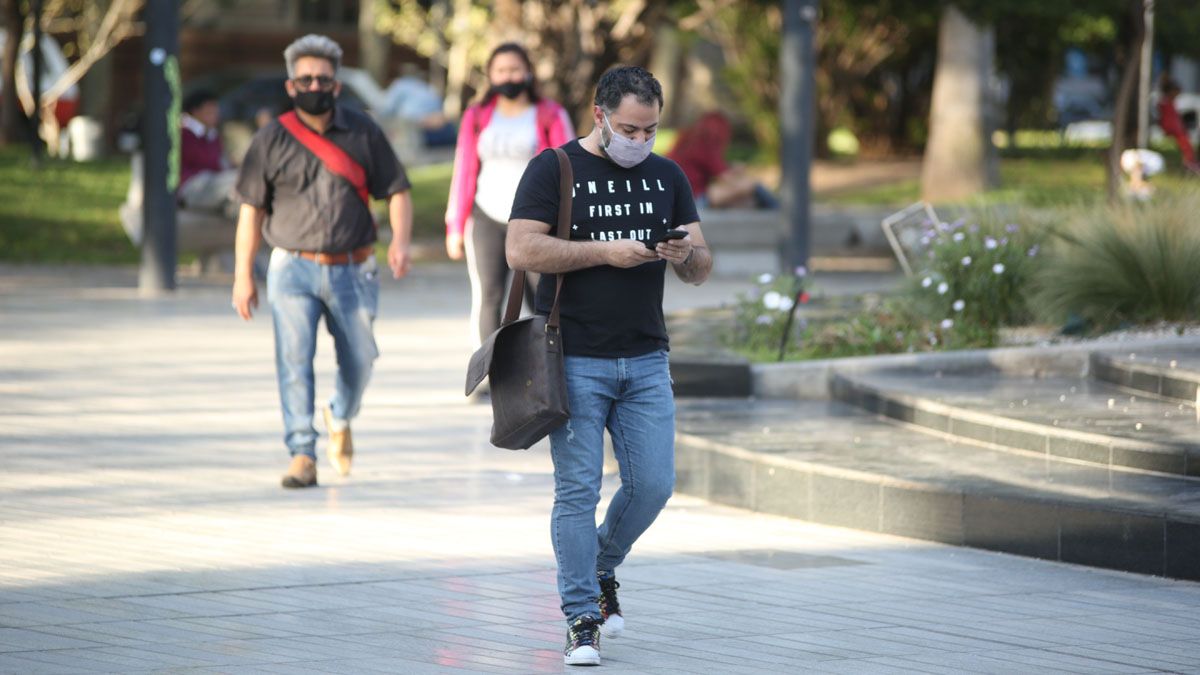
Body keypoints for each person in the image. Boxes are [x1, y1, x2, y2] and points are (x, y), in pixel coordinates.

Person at [507, 65, 713, 666]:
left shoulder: (667, 174)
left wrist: (684, 255)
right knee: (577, 491)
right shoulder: (555, 168)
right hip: (573, 356)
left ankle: (598, 565)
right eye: (628, 129)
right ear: (599, 115)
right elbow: (520, 248)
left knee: (653, 486)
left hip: (646, 356)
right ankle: (581, 619)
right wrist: (605, 253)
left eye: (650, 130)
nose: (639, 140)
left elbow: (702, 267)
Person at [231, 34, 414, 489]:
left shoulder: (364, 130)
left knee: (361, 359)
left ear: (337, 85)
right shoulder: (270, 138)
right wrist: (242, 276)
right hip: (291, 268)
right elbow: (251, 211)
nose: (315, 86)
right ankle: (302, 453)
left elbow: (397, 190)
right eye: (306, 79)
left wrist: (400, 242)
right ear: (291, 86)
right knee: (294, 360)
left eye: (323, 79)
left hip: (354, 267)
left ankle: (340, 413)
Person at [445, 42, 574, 352]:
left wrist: (567, 223)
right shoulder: (477, 115)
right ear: (490, 75)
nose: (508, 76)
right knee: (488, 296)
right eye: (501, 70)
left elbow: (569, 170)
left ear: (528, 72)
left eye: (515, 69)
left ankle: (547, 367)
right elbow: (464, 170)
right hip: (487, 215)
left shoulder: (550, 114)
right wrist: (455, 226)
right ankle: (489, 370)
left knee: (542, 300)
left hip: (537, 222)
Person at [667, 111, 778, 209]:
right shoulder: (705, 144)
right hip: (693, 201)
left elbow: (713, 169)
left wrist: (731, 169)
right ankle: (777, 206)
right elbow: (727, 178)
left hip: (672, 199)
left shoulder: (686, 140)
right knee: (749, 184)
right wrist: (740, 175)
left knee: (744, 200)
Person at [178, 89, 238, 216]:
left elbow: (220, 164)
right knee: (240, 182)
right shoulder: (183, 133)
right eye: (210, 111)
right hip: (192, 186)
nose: (215, 115)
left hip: (214, 182)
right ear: (196, 112)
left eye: (216, 111)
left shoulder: (212, 134)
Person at [1156, 77, 1200, 174]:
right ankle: (1189, 162)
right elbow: (1169, 122)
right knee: (1184, 143)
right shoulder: (1165, 104)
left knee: (1187, 142)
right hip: (1172, 130)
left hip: (1177, 130)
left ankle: (1191, 161)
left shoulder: (1170, 103)